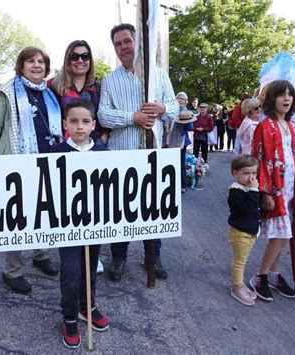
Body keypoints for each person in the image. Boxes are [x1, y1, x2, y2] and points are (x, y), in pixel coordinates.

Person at [98, 23, 179, 282]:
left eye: (127, 41)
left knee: (151, 209)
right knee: (120, 209)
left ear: (138, 42)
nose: (123, 47)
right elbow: (102, 115)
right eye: (118, 44)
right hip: (120, 154)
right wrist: (132, 117)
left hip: (152, 156)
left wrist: (162, 109)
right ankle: (119, 257)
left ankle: (152, 257)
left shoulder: (158, 75)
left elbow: (176, 108)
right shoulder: (110, 80)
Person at [0, 47, 60, 294]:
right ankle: (12, 271)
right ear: (21, 65)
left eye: (41, 62)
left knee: (43, 212)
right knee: (17, 218)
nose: (37, 65)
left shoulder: (49, 94)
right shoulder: (5, 94)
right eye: (31, 61)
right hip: (15, 165)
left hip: (46, 161)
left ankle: (40, 255)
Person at [50, 99, 109, 349]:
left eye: (85, 121)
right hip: (67, 228)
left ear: (93, 124)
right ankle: (70, 316)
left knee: (90, 269)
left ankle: (88, 306)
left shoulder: (103, 153)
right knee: (71, 273)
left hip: (94, 225)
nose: (80, 127)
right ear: (65, 124)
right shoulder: (55, 153)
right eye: (73, 121)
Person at [249, 80, 295, 302]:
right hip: (273, 189)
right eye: (281, 95)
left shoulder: (293, 127)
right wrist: (263, 192)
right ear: (272, 99)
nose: (287, 99)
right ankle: (260, 275)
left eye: (290, 95)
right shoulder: (264, 126)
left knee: (280, 234)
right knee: (283, 234)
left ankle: (273, 275)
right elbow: (258, 160)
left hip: (290, 189)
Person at [48, 40, 108, 146]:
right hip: (63, 147)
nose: (80, 60)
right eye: (74, 57)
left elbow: (106, 114)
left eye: (85, 56)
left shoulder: (98, 88)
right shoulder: (53, 86)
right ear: (68, 60)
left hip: (93, 147)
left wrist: (104, 138)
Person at [228, 154, 260, 306]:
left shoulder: (247, 188)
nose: (251, 177)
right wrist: (254, 192)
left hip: (249, 232)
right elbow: (248, 209)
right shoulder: (236, 192)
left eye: (254, 173)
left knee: (243, 259)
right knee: (239, 261)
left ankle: (240, 283)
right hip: (241, 233)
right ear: (235, 173)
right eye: (246, 173)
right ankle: (237, 287)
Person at [167, 92, 196, 193]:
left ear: (186, 102)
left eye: (183, 99)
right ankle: (170, 184)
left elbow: (191, 128)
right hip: (170, 141)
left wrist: (185, 120)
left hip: (182, 142)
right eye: (179, 98)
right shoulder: (170, 111)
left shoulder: (187, 112)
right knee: (170, 163)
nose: (180, 100)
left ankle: (182, 185)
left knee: (181, 164)